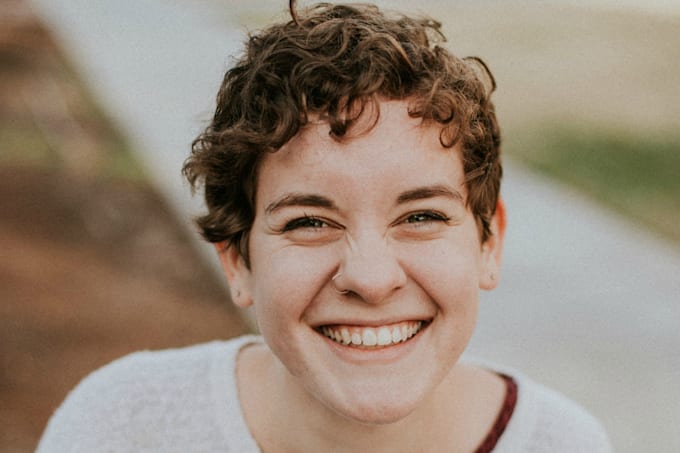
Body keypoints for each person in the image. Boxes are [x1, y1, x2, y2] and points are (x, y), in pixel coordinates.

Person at [37, 2, 612, 452]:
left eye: (421, 216)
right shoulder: (121, 427)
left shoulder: (563, 444)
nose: (371, 279)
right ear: (237, 260)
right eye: (309, 222)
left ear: (490, 241)